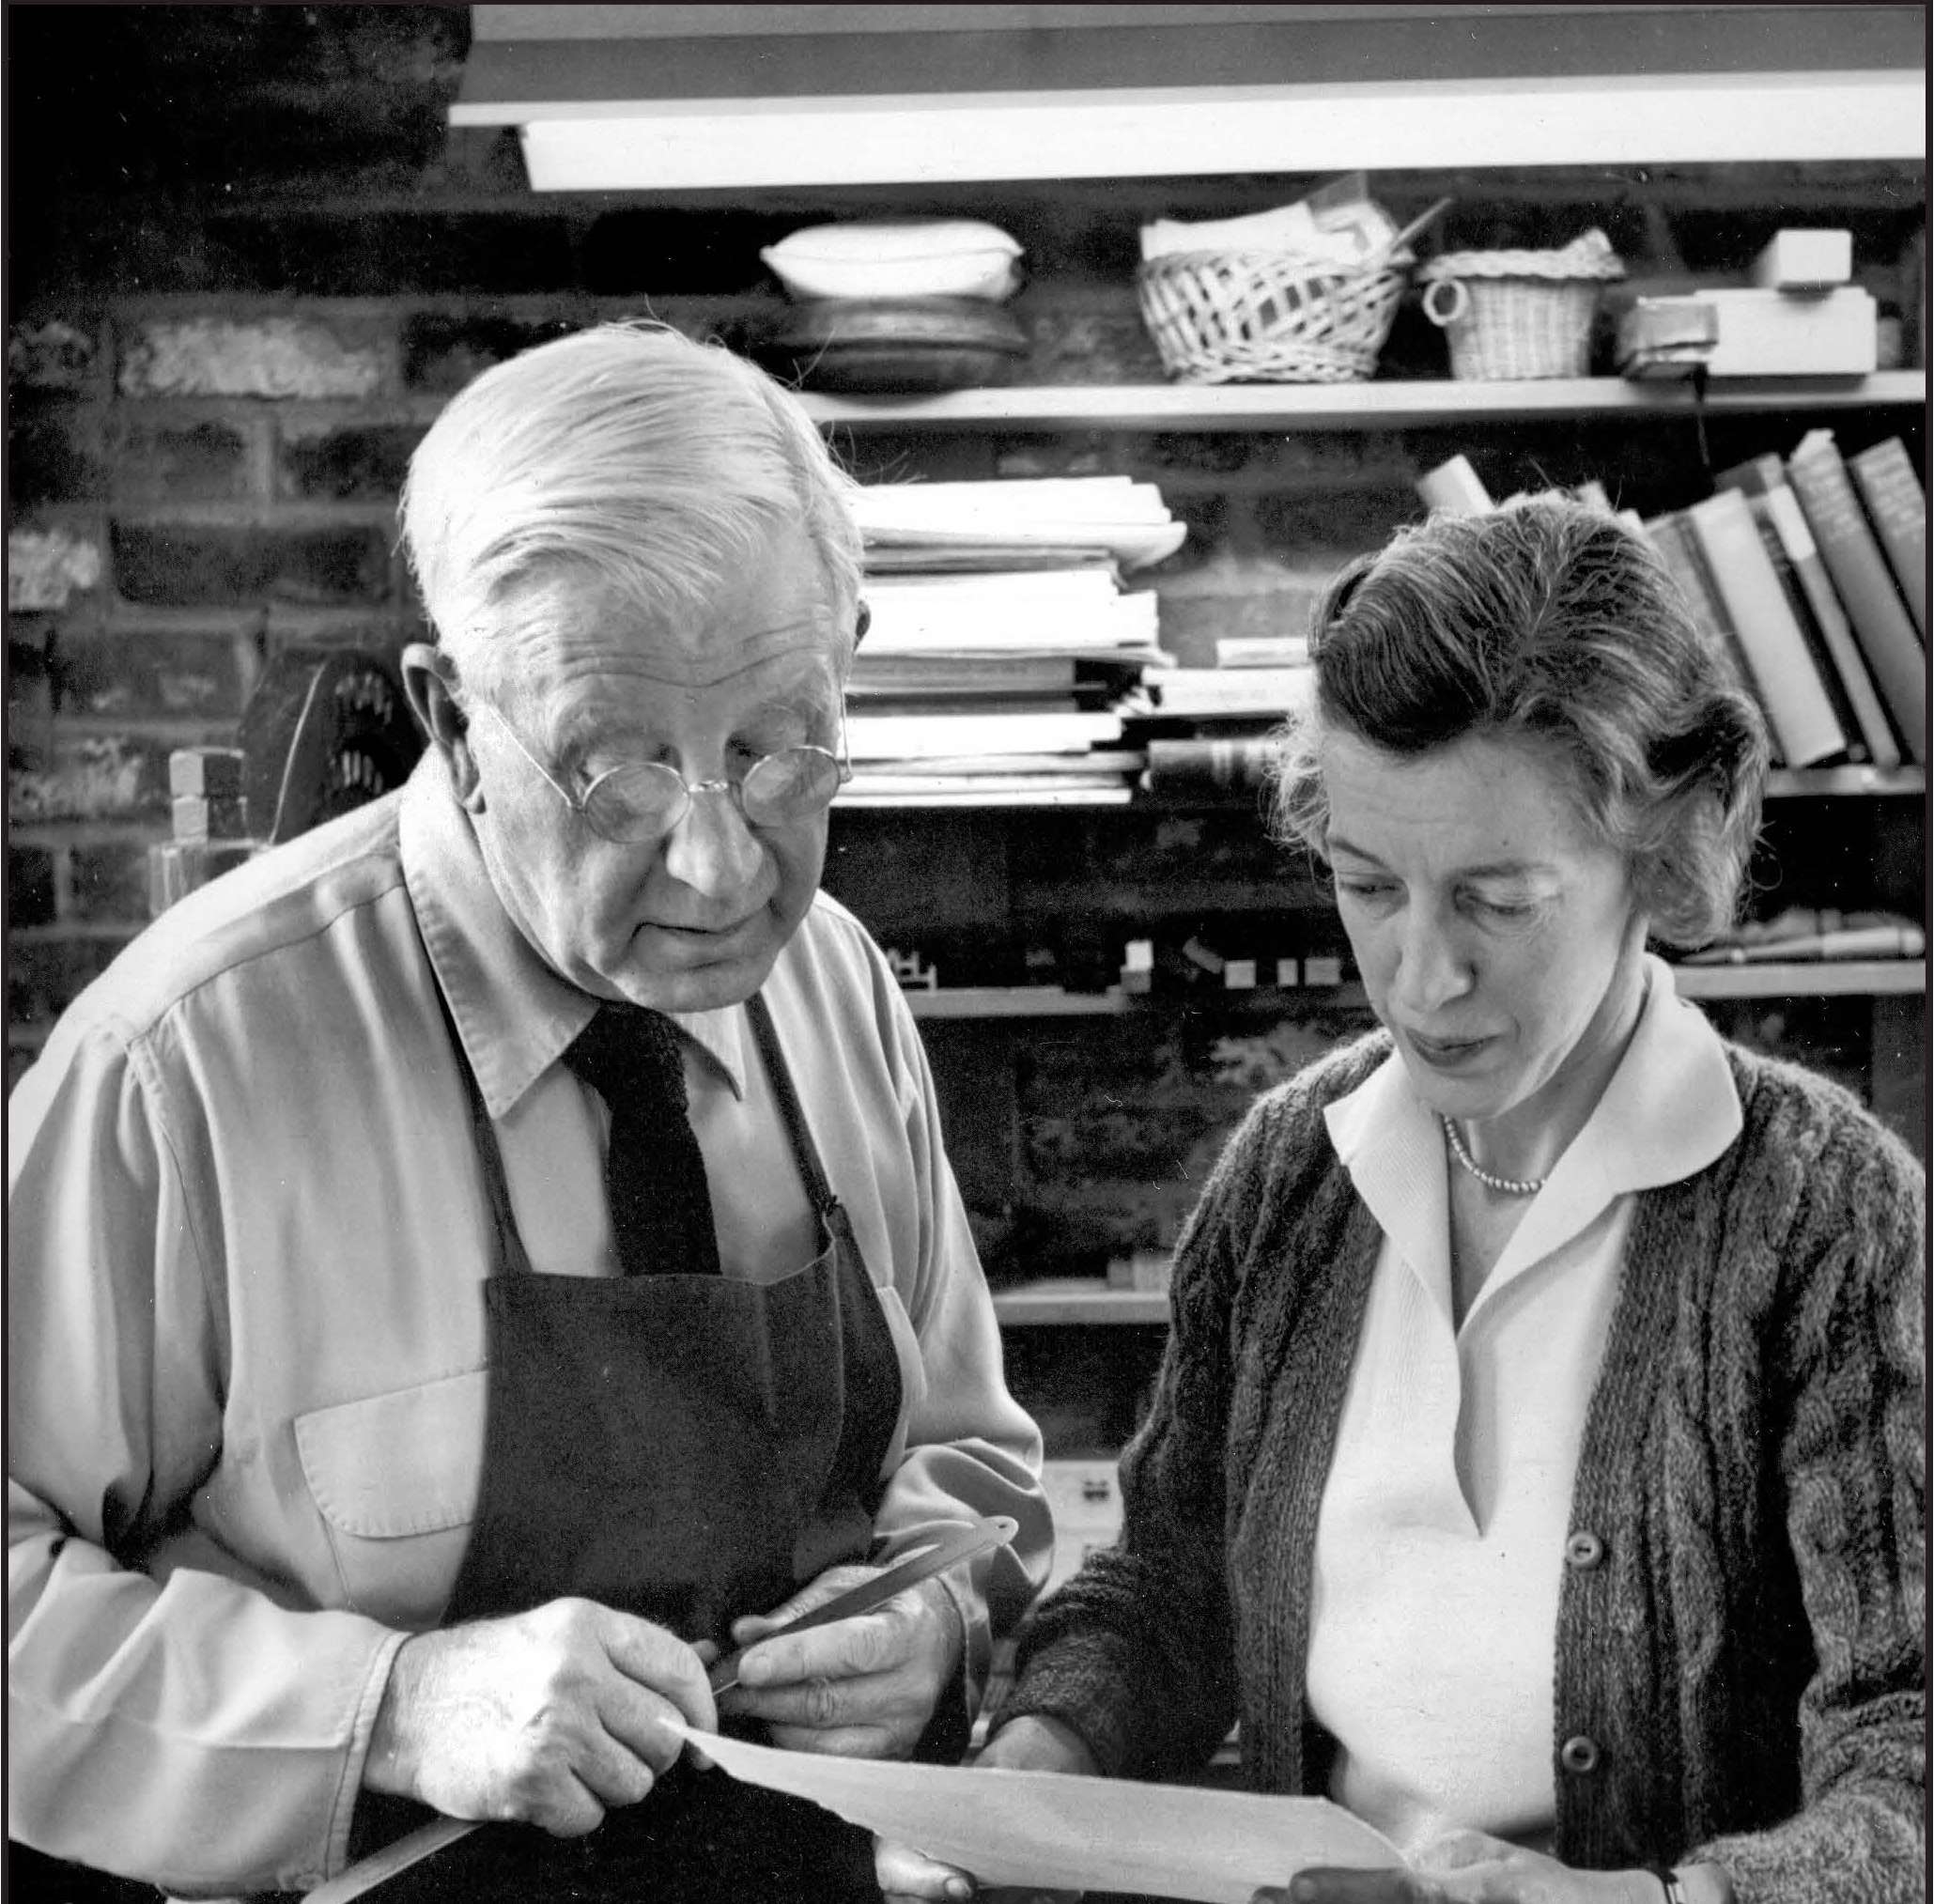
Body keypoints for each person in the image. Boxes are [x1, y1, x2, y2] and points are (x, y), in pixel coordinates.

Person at [8, 320, 1052, 1903]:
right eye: (617, 776)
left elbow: (965, 1459)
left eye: (778, 753)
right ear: (449, 720)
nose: (718, 868)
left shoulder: (834, 986)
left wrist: (940, 1622)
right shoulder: (188, 1064)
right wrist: (385, 1710)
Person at [881, 493, 1925, 1904]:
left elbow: (1906, 1748)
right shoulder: (1290, 1170)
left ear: (1659, 854)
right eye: (1370, 885)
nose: (1421, 977)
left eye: (1497, 902)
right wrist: (1033, 1766)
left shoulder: (1828, 1217)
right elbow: (1175, 1591)